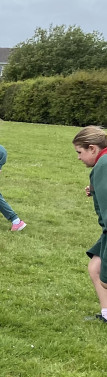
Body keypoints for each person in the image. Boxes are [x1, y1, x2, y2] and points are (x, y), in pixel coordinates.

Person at [72, 126, 107, 323]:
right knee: (95, 267)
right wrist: (95, 189)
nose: (78, 157)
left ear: (92, 148)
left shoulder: (103, 165)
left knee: (105, 278)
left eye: (80, 152)